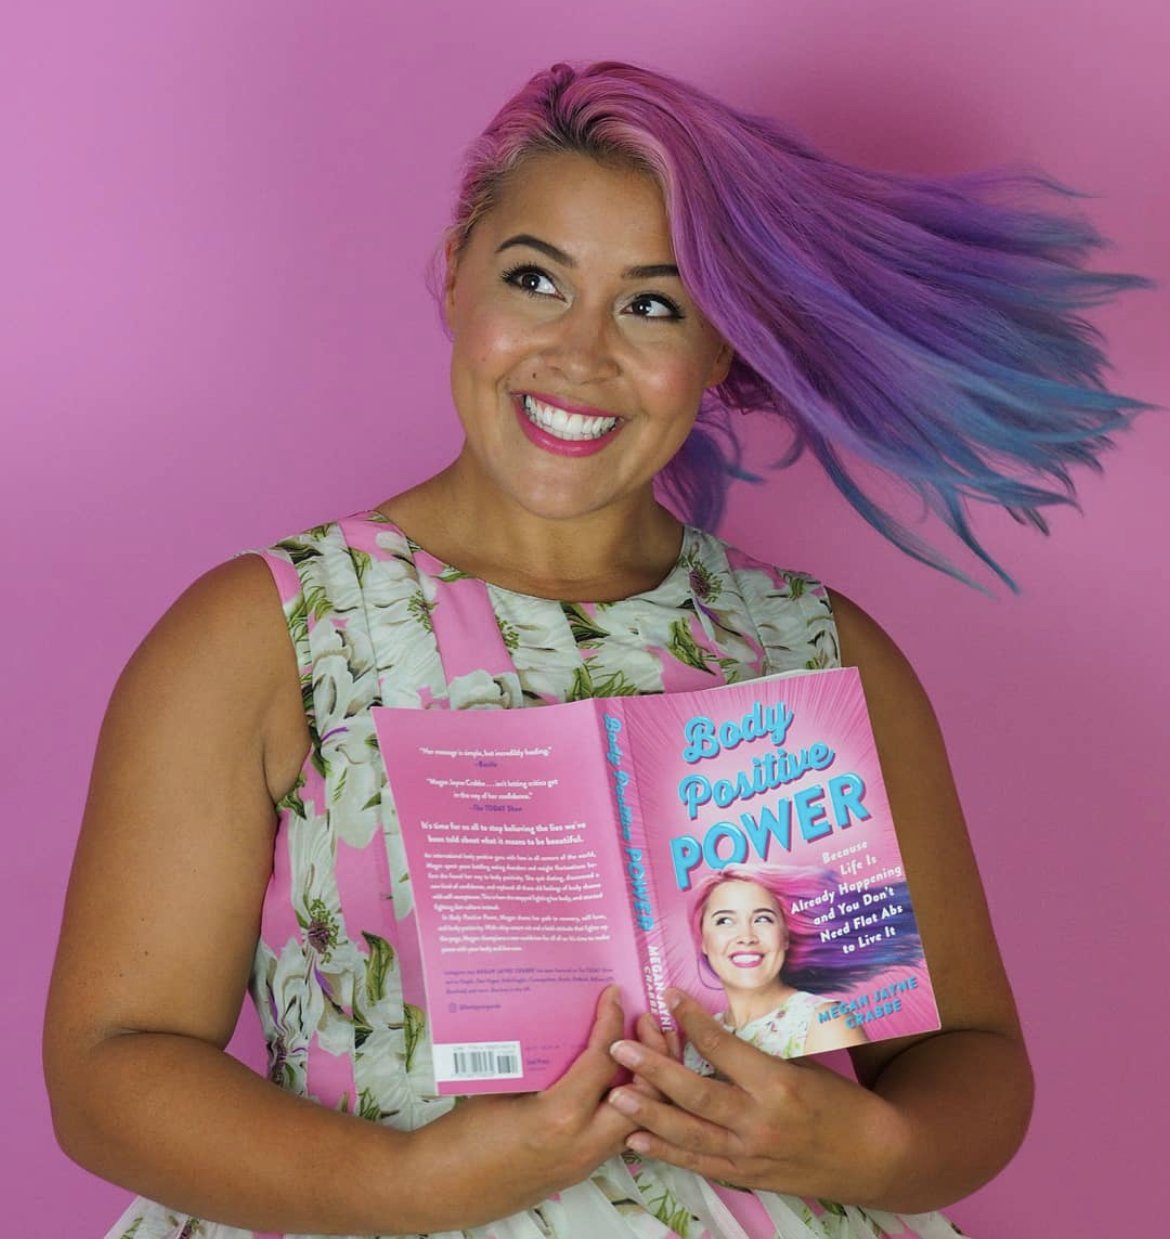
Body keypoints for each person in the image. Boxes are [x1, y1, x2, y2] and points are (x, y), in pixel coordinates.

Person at [44, 60, 1147, 1239]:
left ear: (722, 350)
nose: (581, 354)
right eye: (536, 279)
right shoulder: (271, 634)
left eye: (654, 303)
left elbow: (973, 1063)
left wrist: (874, 1145)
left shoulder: (813, 653)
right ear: (456, 274)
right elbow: (111, 1067)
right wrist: (405, 1189)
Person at [682, 863, 929, 1066]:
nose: (746, 936)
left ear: (785, 937)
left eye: (762, 918)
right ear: (702, 940)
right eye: (724, 921)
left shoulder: (826, 1023)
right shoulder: (694, 1044)